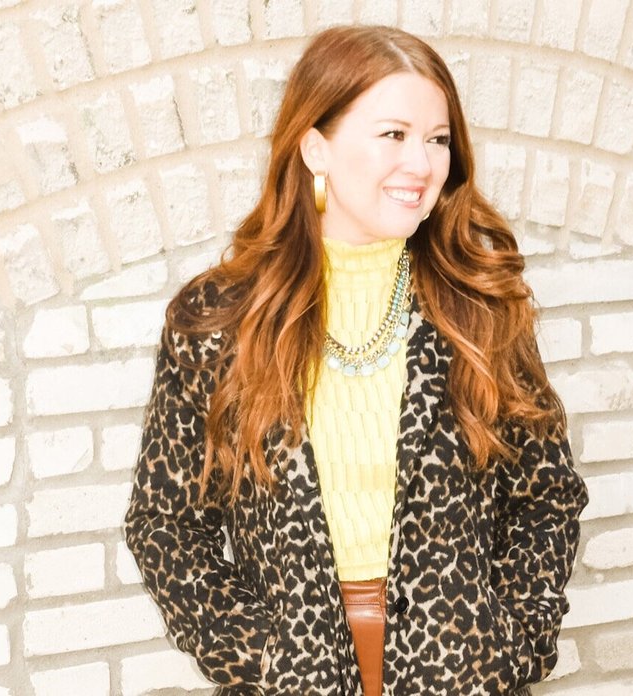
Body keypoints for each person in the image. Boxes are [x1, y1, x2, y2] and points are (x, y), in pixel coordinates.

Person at [123, 24, 589, 696]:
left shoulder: (477, 305)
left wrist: (511, 643)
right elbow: (165, 524)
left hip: (461, 677)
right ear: (316, 147)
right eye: (393, 134)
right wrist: (260, 659)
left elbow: (547, 495)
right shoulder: (222, 320)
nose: (421, 165)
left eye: (437, 140)